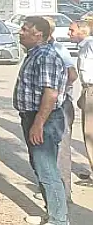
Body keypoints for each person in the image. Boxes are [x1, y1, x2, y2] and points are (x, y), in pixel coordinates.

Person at [14, 16, 68, 225]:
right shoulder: (35, 54)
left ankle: (59, 220)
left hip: (44, 119)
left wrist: (38, 124)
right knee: (40, 167)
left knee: (47, 170)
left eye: (25, 29)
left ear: (38, 34)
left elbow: (51, 94)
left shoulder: (46, 56)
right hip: (32, 117)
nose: (20, 32)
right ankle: (52, 213)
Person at [42, 17, 78, 201]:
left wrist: (59, 89)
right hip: (48, 104)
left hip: (59, 105)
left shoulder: (57, 49)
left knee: (61, 147)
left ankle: (63, 192)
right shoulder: (40, 50)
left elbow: (72, 74)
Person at [69, 19, 93, 183]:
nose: (69, 33)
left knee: (90, 133)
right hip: (87, 89)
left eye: (72, 30)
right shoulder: (84, 46)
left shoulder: (90, 45)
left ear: (83, 31)